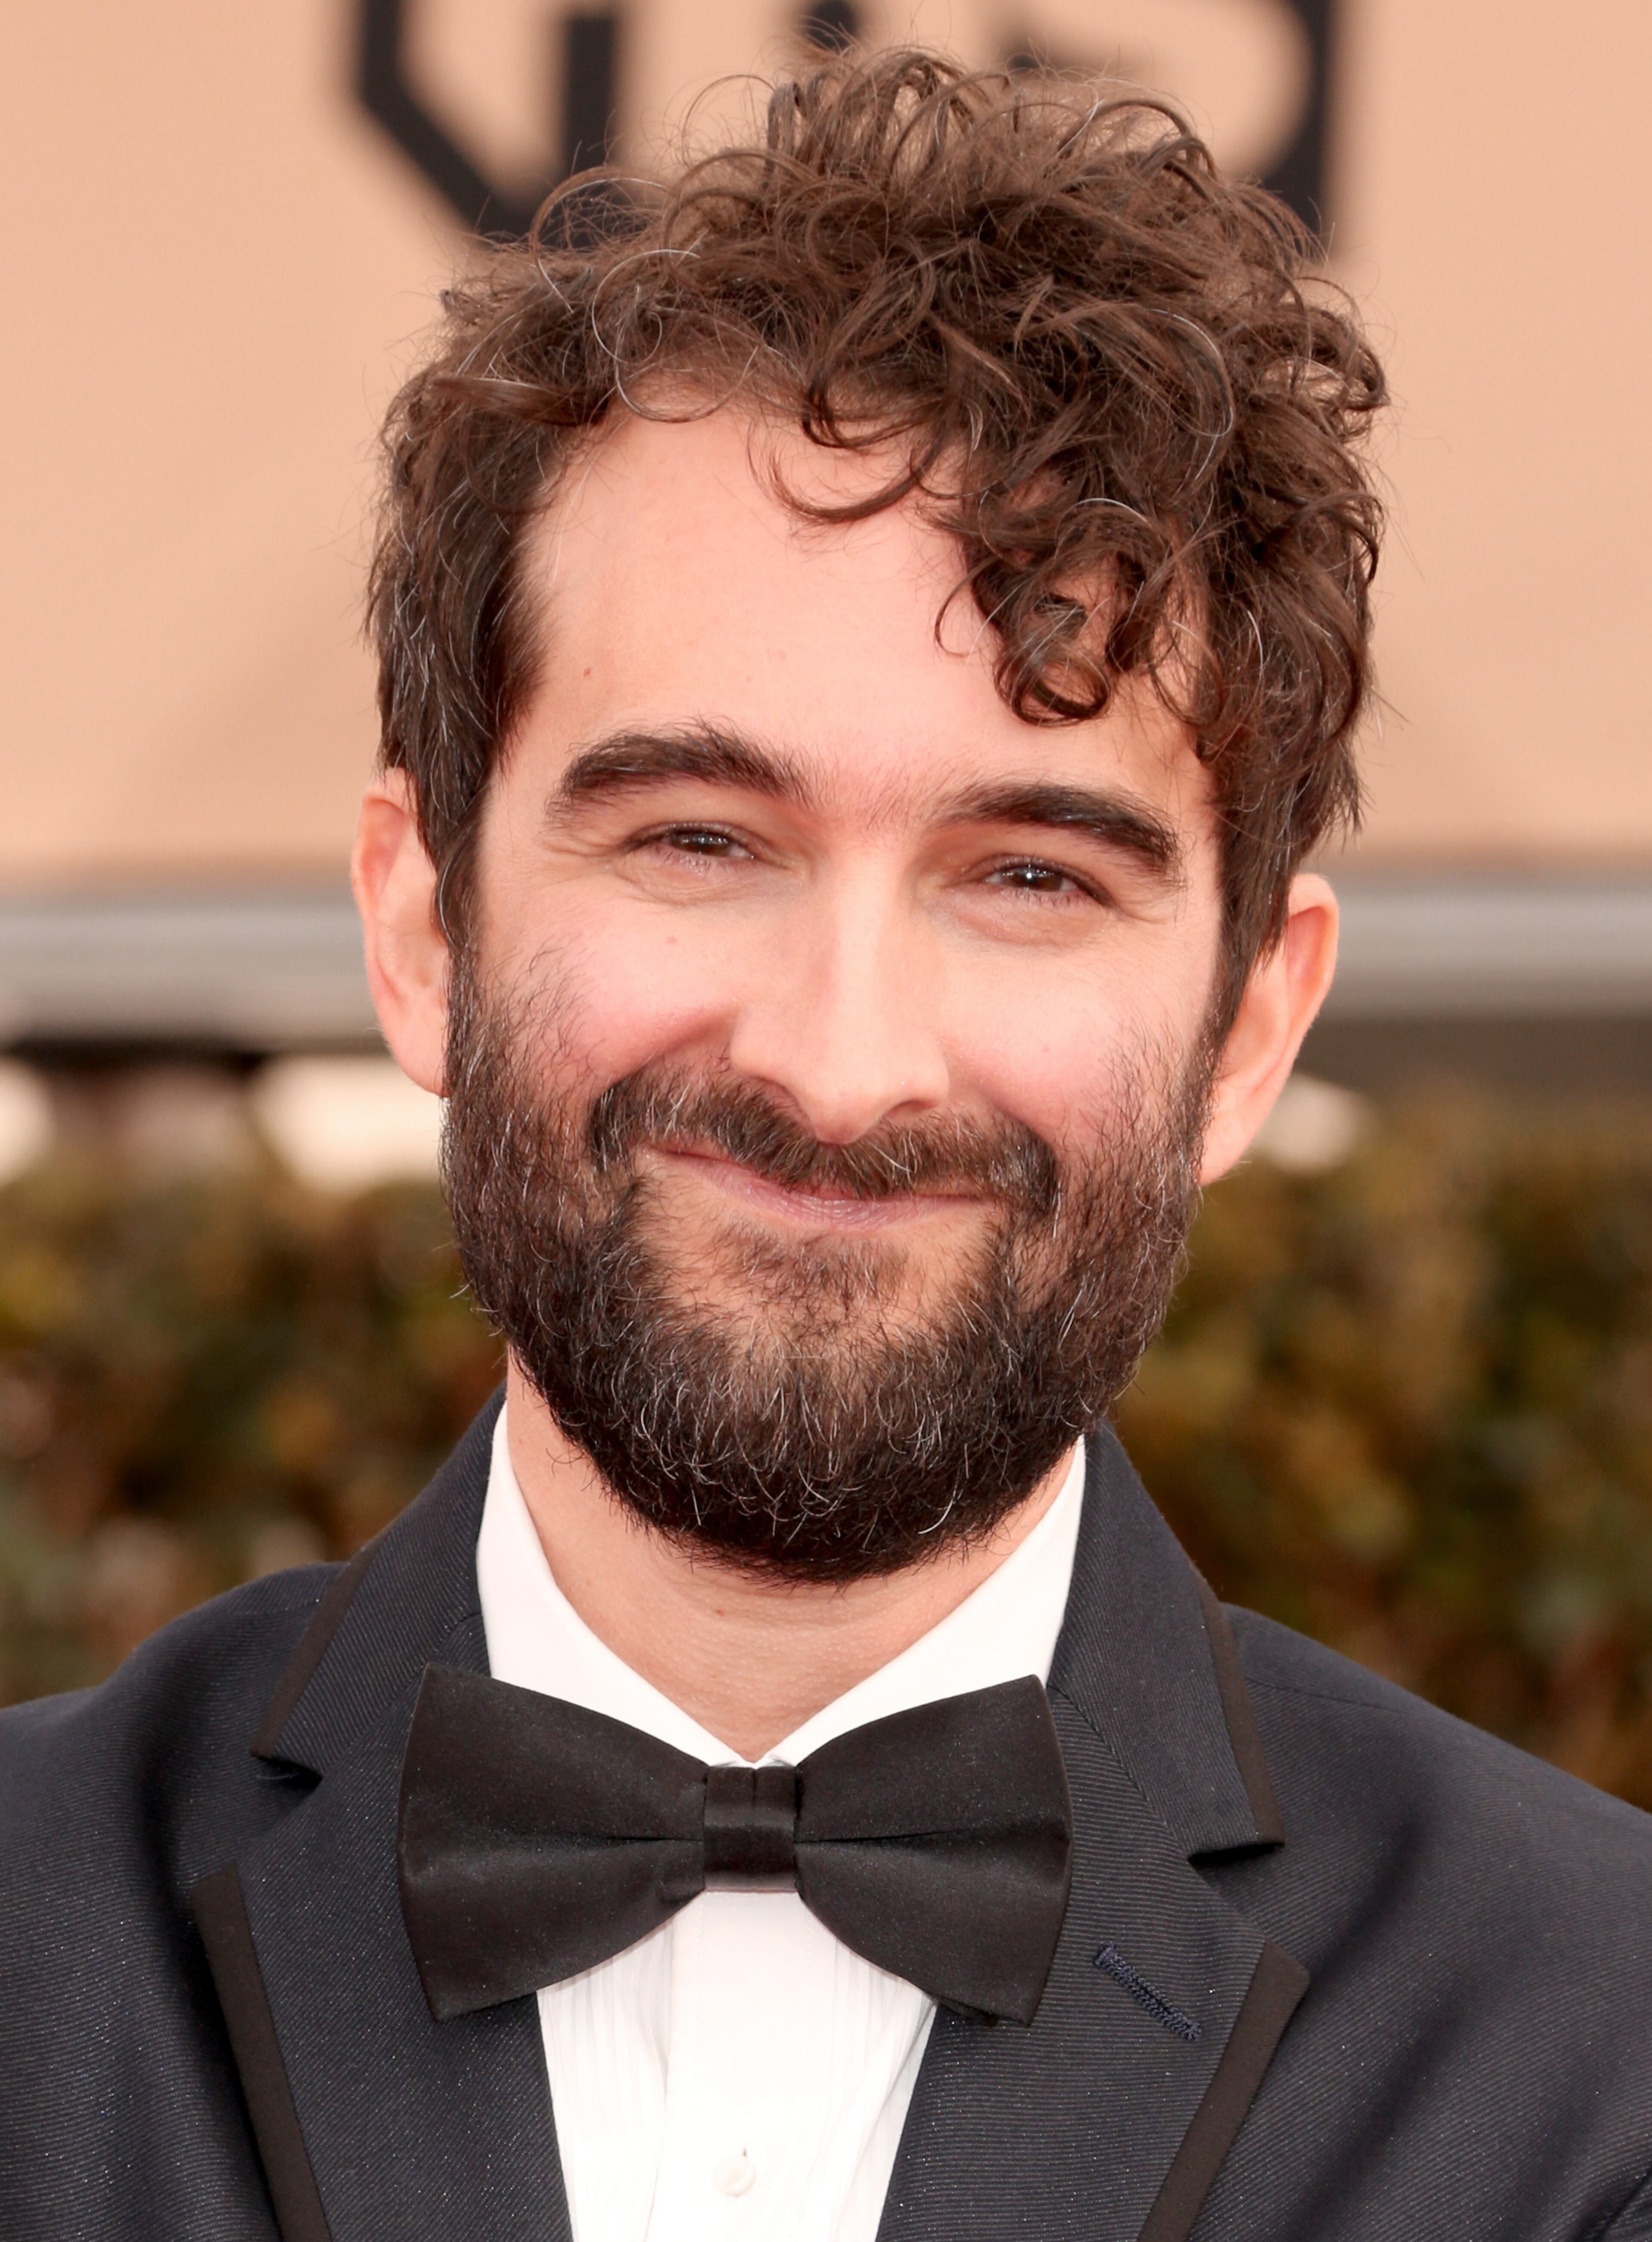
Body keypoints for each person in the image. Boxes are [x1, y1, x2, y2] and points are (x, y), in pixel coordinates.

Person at [3, 46, 1651, 2242]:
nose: (844, 1062)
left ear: (1253, 1026)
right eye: (700, 837)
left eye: (1031, 876)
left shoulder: (1597, 2059)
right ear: (422, 926)